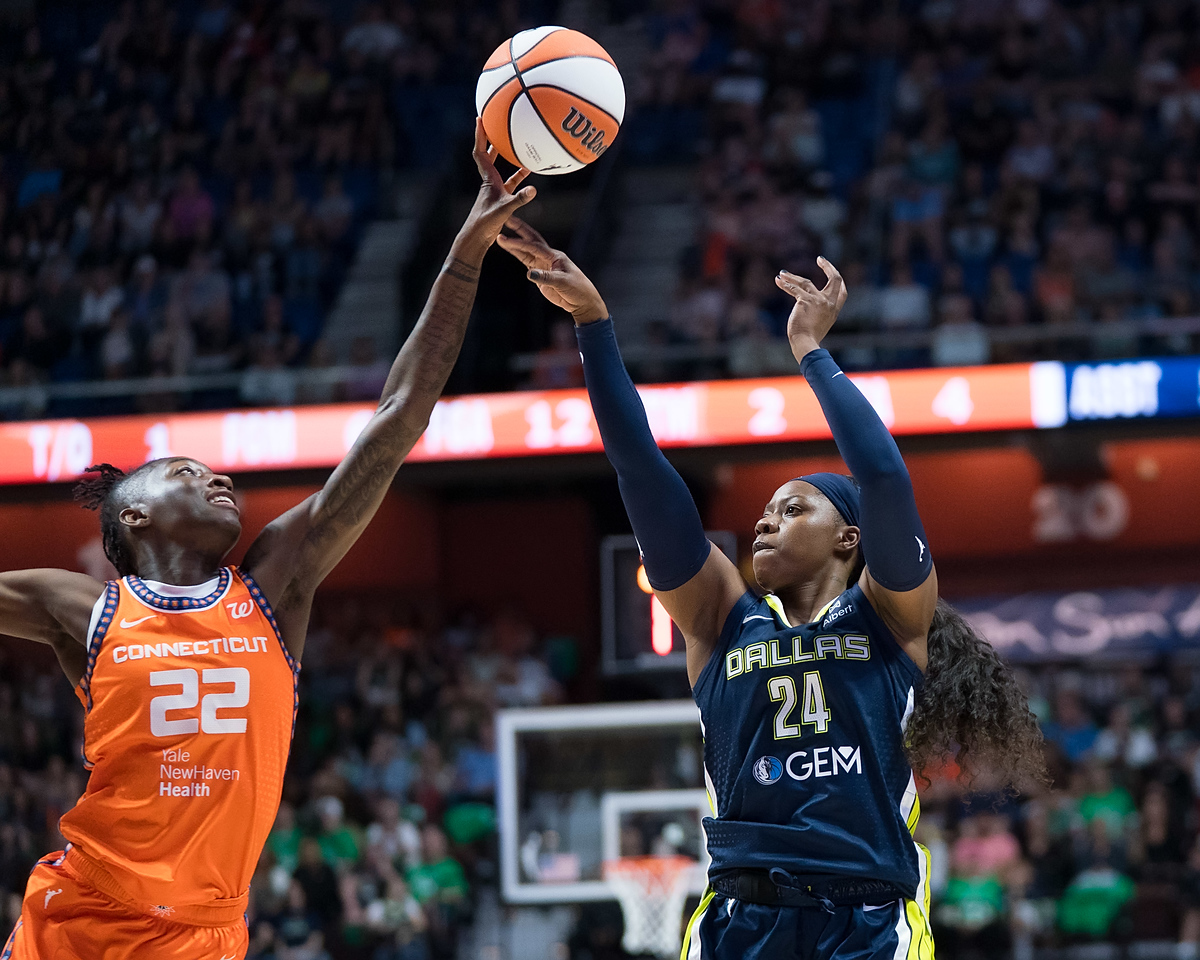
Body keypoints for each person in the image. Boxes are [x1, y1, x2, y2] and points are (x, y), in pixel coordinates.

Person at [0, 120, 533, 960]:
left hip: (210, 936)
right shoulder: (85, 611)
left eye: (213, 471)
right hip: (80, 919)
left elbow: (398, 421)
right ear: (130, 518)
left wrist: (465, 252)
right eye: (182, 471)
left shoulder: (274, 587)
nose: (214, 478)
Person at [497, 221, 1046, 960]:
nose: (764, 521)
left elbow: (883, 479)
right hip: (739, 920)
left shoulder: (890, 618)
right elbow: (640, 470)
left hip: (867, 921)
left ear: (849, 538)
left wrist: (811, 354)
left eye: (794, 508)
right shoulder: (723, 620)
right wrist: (594, 324)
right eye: (764, 510)